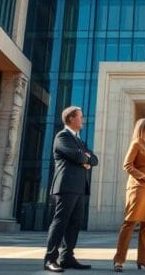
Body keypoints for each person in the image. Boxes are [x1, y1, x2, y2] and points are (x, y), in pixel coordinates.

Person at [44, 106, 99, 272]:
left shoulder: (79, 141)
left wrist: (86, 159)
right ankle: (50, 259)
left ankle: (67, 258)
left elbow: (94, 160)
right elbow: (78, 156)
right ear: (71, 119)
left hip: (79, 187)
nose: (83, 120)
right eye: (80, 117)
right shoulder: (62, 136)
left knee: (75, 223)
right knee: (60, 222)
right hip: (66, 186)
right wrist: (84, 158)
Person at [113, 118, 145, 272]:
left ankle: (144, 261)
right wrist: (144, 177)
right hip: (138, 188)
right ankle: (119, 261)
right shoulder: (136, 143)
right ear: (144, 127)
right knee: (129, 223)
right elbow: (127, 165)